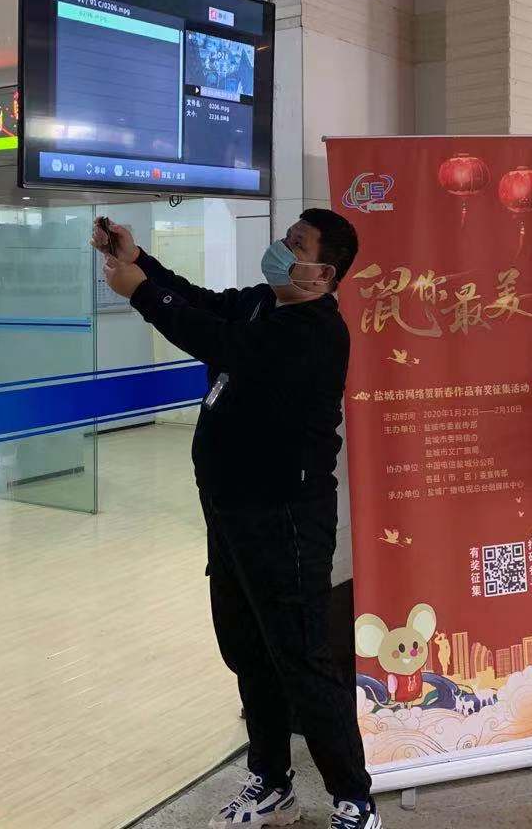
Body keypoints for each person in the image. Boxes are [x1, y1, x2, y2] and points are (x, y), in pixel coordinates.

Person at [95, 209, 381, 829]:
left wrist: (139, 293)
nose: (281, 247)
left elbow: (216, 341)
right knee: (249, 650)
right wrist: (140, 262)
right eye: (287, 237)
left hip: (285, 521)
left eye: (296, 245)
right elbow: (198, 301)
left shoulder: (314, 331)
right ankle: (271, 781)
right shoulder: (260, 303)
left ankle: (354, 801)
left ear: (323, 273)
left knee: (301, 659)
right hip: (230, 513)